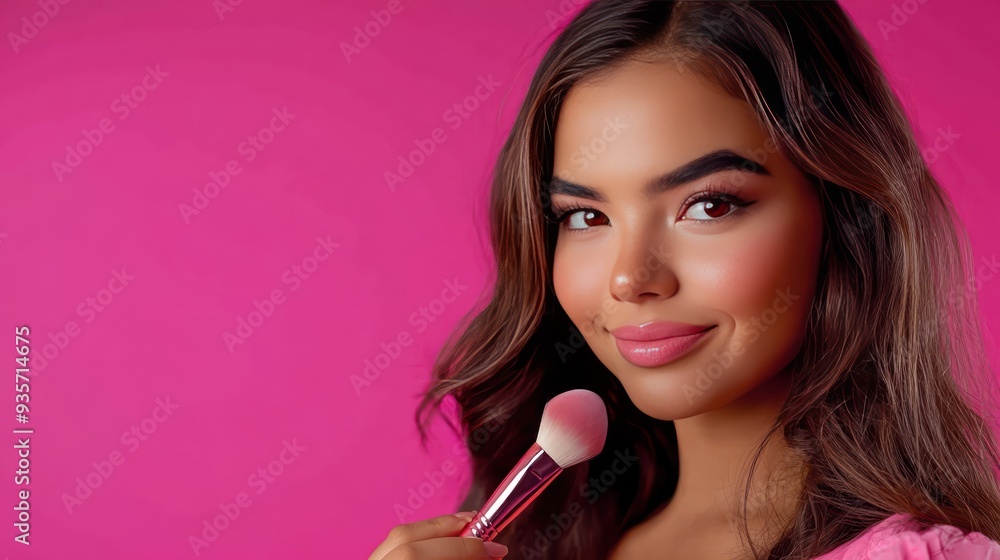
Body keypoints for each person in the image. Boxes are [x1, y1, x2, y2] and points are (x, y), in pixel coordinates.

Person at [369, 1, 1000, 558]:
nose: (630, 277)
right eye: (586, 216)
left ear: (843, 215)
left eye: (709, 206)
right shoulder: (548, 542)